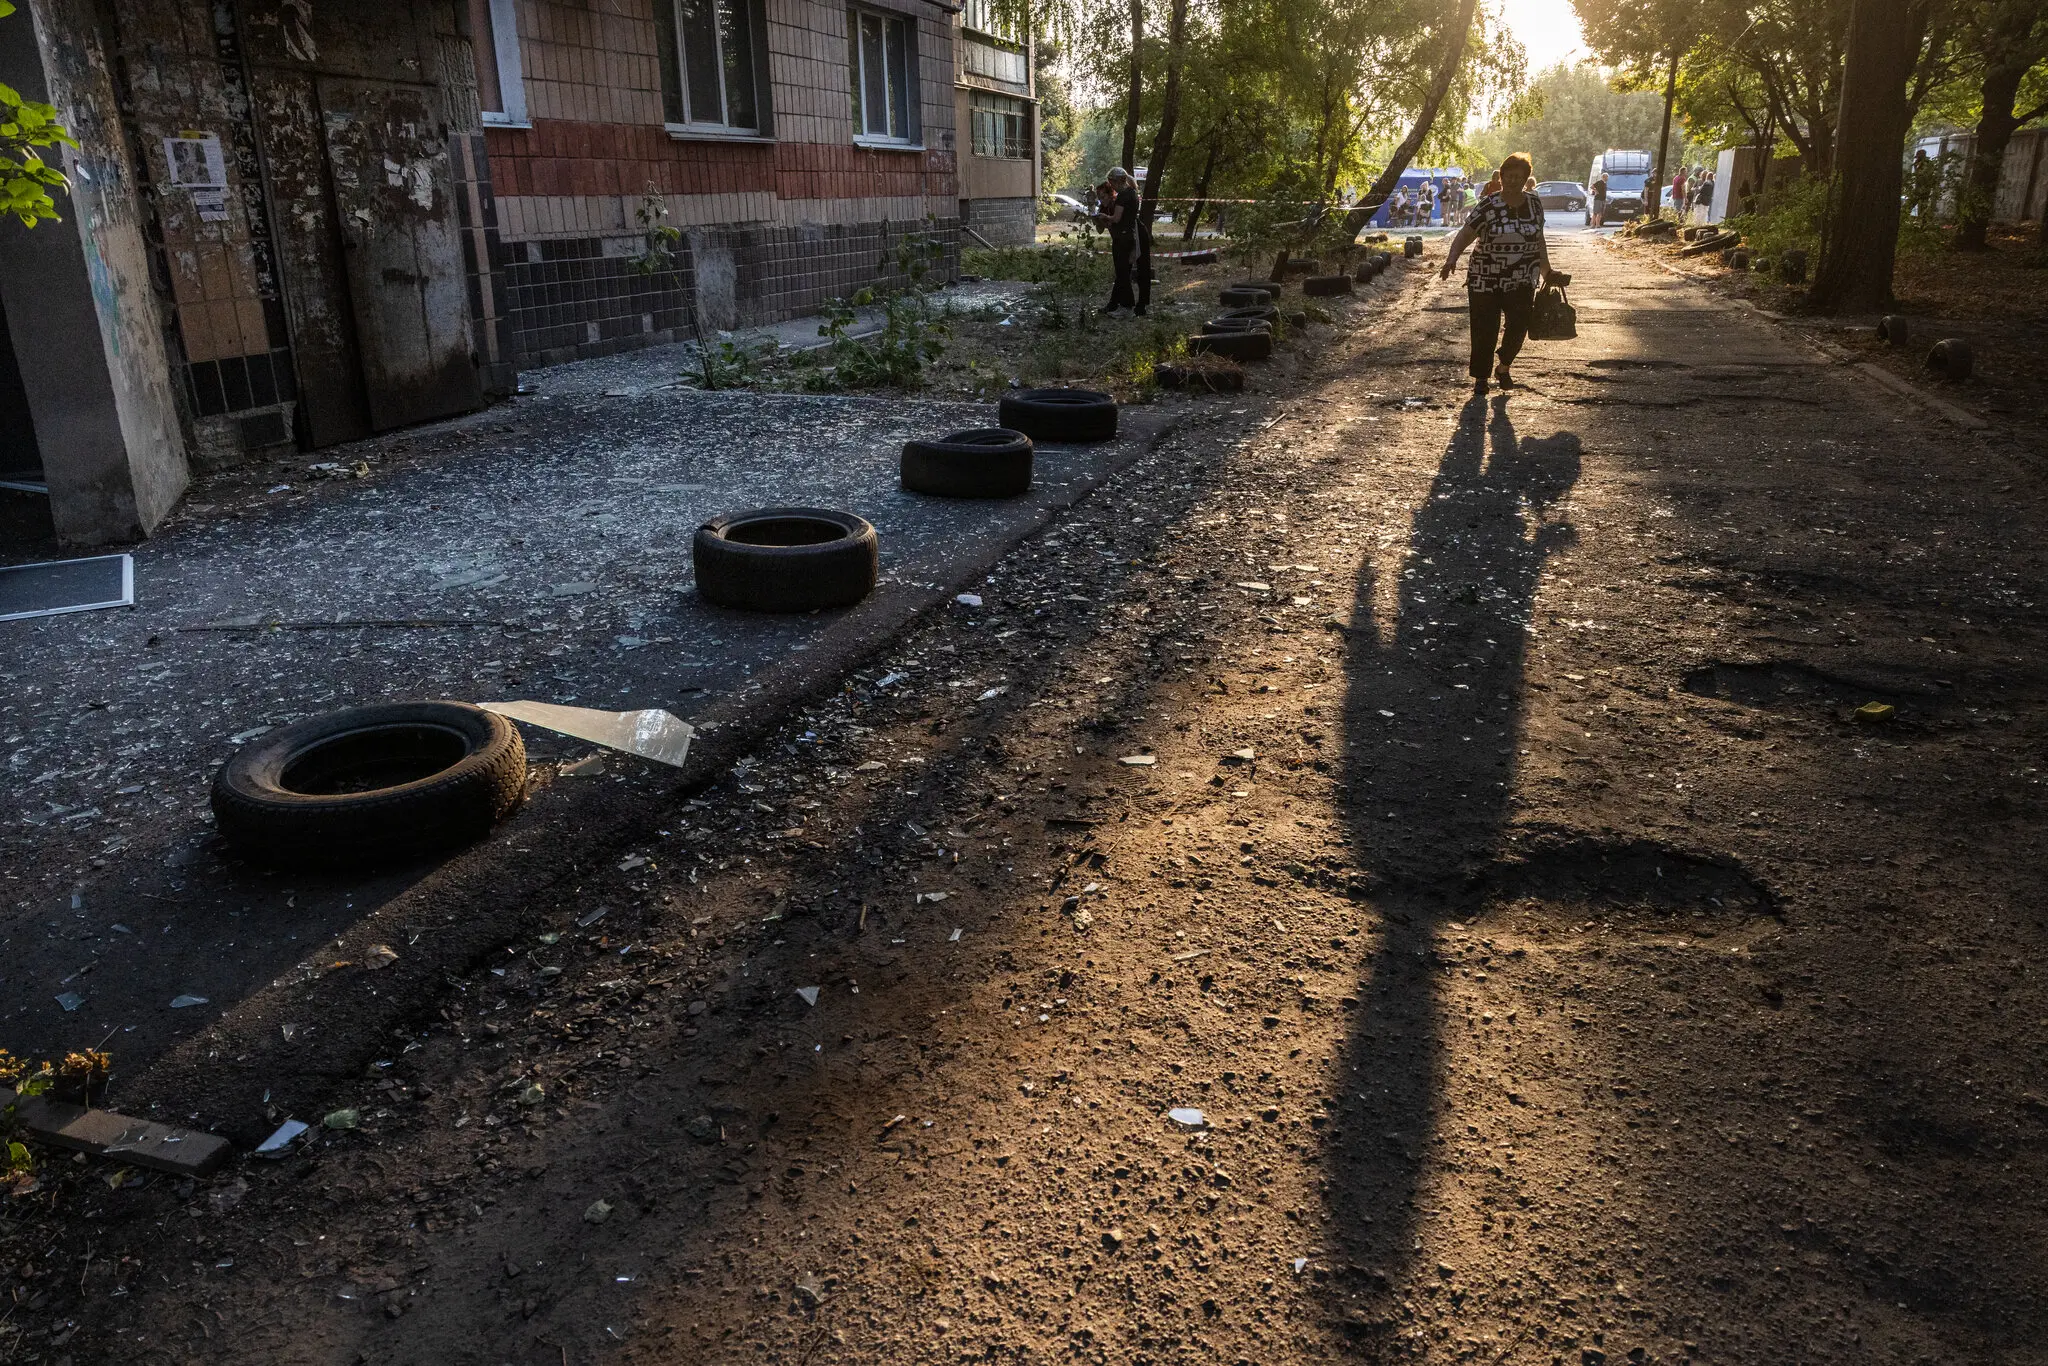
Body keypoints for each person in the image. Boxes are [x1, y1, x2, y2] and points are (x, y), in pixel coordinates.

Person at [1438, 151, 1556, 394]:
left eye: (1519, 177)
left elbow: (1538, 240)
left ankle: (1503, 366)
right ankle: (1481, 378)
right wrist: (1452, 259)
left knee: (1519, 325)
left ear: (1526, 179)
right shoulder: (1488, 205)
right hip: (1485, 278)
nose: (1514, 181)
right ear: (1500, 177)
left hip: (1522, 278)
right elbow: (1466, 233)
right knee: (1484, 329)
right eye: (1509, 176)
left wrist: (1547, 271)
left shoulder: (1534, 203)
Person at [1097, 166, 1140, 315]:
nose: (1112, 187)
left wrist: (1103, 217)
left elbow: (1116, 218)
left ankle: (1126, 306)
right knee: (1122, 273)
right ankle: (1114, 304)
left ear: (1117, 181)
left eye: (1112, 183)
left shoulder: (1123, 196)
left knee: (1122, 274)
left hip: (1122, 238)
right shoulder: (1133, 193)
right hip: (1128, 236)